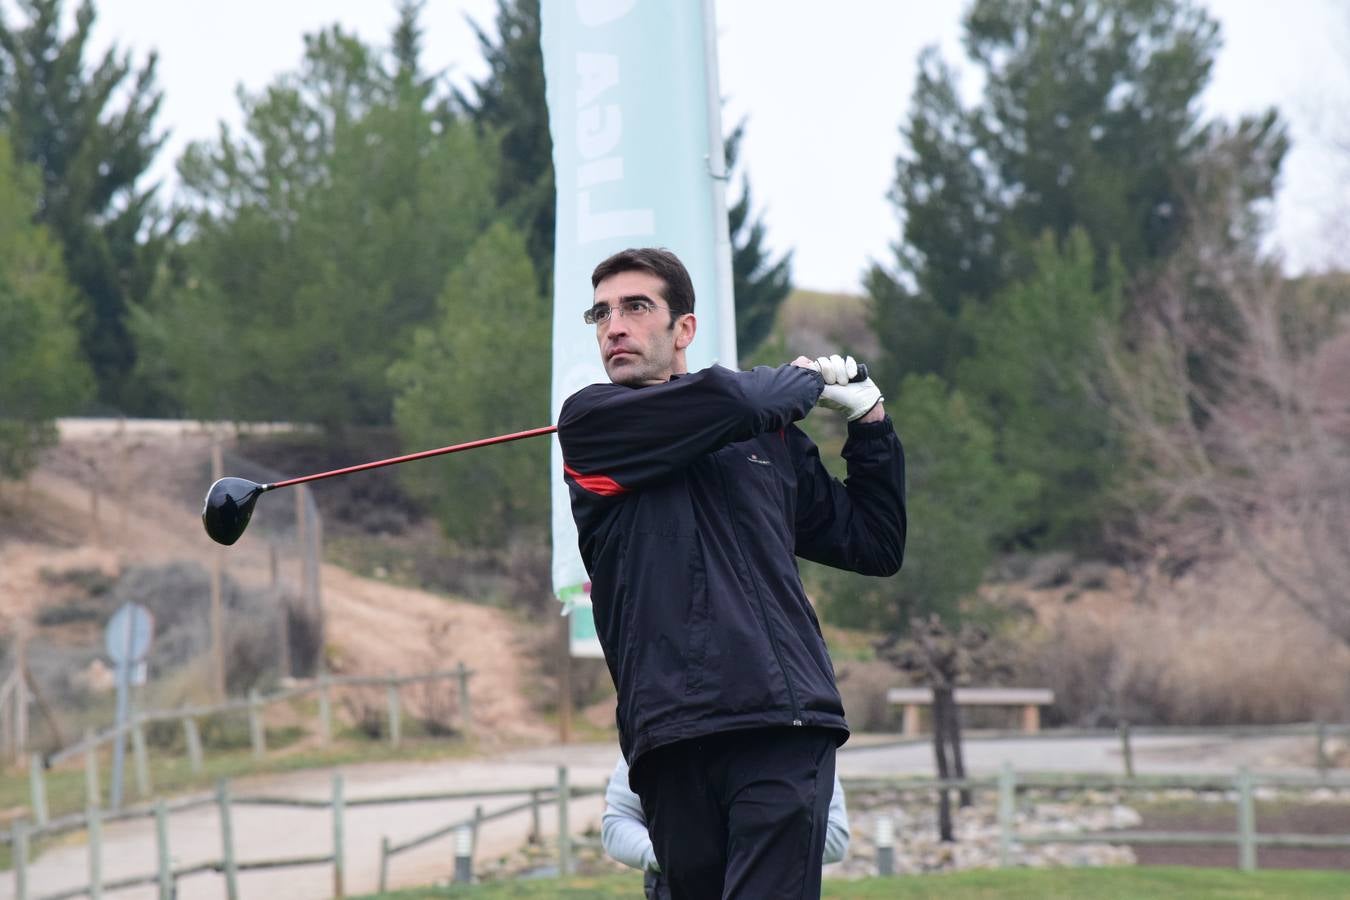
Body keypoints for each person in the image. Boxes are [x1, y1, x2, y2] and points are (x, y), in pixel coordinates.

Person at [557, 247, 906, 898]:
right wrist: (802, 379)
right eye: (601, 313)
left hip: (780, 724)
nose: (615, 326)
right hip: (669, 734)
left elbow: (874, 542)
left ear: (683, 329)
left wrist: (870, 422)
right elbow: (731, 401)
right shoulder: (591, 425)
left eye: (636, 307)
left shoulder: (765, 439)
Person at [600, 753, 851, 899]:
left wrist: (744, 855)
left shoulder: (795, 737)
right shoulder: (659, 726)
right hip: (676, 889)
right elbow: (616, 824)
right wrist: (670, 853)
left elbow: (836, 836)